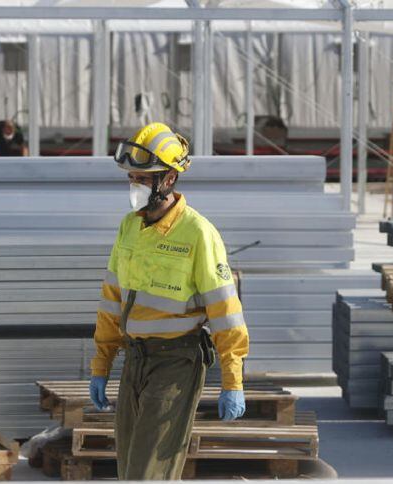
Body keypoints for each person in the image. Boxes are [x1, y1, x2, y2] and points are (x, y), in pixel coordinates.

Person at [89, 122, 250, 480]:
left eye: (143, 179)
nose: (135, 186)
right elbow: (112, 302)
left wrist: (232, 381)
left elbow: (226, 313)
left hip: (176, 363)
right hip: (135, 359)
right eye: (132, 178)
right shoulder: (129, 228)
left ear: (169, 180)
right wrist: (101, 366)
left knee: (149, 474)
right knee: (130, 469)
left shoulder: (198, 234)